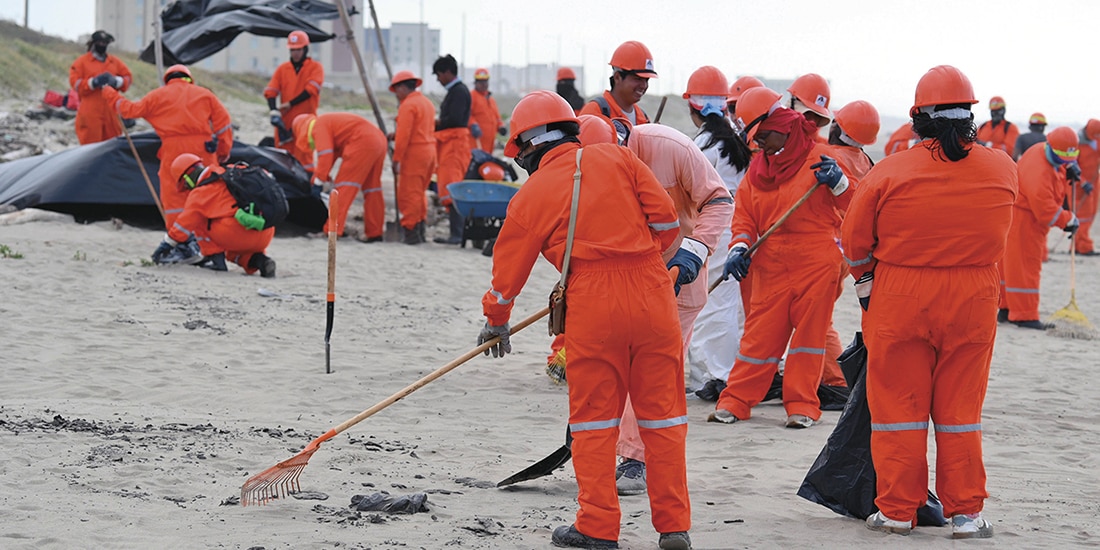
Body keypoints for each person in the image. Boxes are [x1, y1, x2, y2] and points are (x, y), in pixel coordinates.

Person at [477, 91, 691, 550]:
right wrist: (645, 265)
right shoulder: (619, 159)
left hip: (594, 303)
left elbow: (507, 273)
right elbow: (669, 222)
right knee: (664, 420)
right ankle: (674, 527)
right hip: (654, 294)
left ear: (528, 146)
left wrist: (496, 320)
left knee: (595, 423)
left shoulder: (532, 194)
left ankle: (597, 527)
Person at [842, 64, 1016, 539]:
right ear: (971, 118)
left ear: (918, 118)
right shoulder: (1002, 166)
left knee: (898, 407)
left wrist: (866, 281)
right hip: (974, 298)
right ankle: (966, 515)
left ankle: (897, 511)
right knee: (961, 412)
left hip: (901, 295)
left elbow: (854, 241)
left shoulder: (890, 170)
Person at [707, 86, 853, 429]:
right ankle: (736, 400)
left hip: (817, 261)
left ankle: (802, 405)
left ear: (779, 125)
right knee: (759, 336)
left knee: (809, 339)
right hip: (770, 263)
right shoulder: (758, 171)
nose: (758, 146)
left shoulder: (822, 158)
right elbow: (744, 217)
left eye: (761, 138)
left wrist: (840, 185)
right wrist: (739, 248)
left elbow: (857, 207)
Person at [681, 67, 755, 401]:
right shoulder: (734, 140)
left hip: (714, 228)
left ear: (693, 107)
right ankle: (728, 371)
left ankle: (716, 374)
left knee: (712, 304)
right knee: (732, 303)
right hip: (738, 228)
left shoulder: (703, 146)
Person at [102, 64, 233, 230]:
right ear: (189, 78)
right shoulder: (205, 94)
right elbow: (224, 124)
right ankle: (208, 235)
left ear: (167, 80)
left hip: (173, 150)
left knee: (174, 194)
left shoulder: (158, 95)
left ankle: (178, 238)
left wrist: (109, 93)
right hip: (202, 149)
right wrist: (222, 151)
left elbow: (129, 110)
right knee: (207, 190)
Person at [998, 126, 1080, 329]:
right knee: (1026, 266)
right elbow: (1045, 210)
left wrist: (1068, 168)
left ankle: (1007, 310)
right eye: (1062, 159)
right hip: (1025, 221)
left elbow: (1057, 168)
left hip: (1019, 217)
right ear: (1052, 149)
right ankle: (1025, 315)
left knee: (1012, 267)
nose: (1064, 163)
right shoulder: (1039, 171)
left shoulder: (1044, 150)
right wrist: (1068, 220)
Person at [153, 153, 277, 277]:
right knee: (232, 250)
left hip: (237, 235)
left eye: (185, 185)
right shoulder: (230, 172)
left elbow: (184, 225)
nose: (186, 188)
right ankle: (261, 261)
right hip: (265, 230)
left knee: (199, 219)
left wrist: (167, 244)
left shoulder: (201, 192)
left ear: (188, 178)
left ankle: (215, 259)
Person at [291, 113, 387, 241]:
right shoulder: (329, 124)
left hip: (362, 141)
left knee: (343, 190)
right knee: (372, 189)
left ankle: (331, 231)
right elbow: (332, 155)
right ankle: (374, 232)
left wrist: (318, 181)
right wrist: (322, 176)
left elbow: (326, 154)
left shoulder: (319, 126)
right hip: (378, 140)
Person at [263, 30, 324, 172]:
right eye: (293, 50)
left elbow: (311, 91)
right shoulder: (282, 69)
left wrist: (289, 104)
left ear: (305, 49)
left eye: (299, 49)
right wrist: (273, 111)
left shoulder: (315, 68)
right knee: (282, 159)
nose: (296, 53)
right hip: (285, 122)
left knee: (305, 159)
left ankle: (306, 187)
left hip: (306, 122)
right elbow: (271, 91)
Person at [388, 70, 437, 245]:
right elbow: (419, 129)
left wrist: (396, 160)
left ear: (402, 87)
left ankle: (411, 232)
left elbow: (404, 137)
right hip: (430, 152)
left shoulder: (408, 105)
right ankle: (420, 229)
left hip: (415, 154)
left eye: (397, 90)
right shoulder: (426, 103)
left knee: (409, 194)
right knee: (419, 192)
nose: (396, 95)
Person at [432, 54, 474, 245]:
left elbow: (455, 119)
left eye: (439, 74)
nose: (438, 79)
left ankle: (457, 234)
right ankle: (456, 233)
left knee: (452, 186)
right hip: (452, 143)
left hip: (455, 144)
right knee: (449, 185)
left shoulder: (458, 92)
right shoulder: (458, 90)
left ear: (448, 72)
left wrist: (437, 123)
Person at [68, 30, 132, 145]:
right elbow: (75, 84)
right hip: (90, 112)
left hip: (111, 113)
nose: (102, 45)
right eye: (100, 42)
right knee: (90, 149)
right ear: (93, 43)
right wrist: (93, 82)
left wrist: (117, 81)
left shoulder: (114, 62)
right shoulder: (82, 62)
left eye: (105, 43)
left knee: (112, 147)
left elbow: (128, 78)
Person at [579, 40, 656, 125]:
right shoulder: (595, 112)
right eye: (638, 79)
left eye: (646, 80)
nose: (644, 85)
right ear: (617, 77)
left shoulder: (644, 118)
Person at [1074, 119, 1100, 255]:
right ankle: (1084, 246)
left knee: (1092, 213)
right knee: (1083, 216)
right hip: (1080, 185)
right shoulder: (1077, 144)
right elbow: (1073, 166)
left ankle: (1078, 245)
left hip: (1094, 183)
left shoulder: (1097, 140)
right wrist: (1083, 182)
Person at [468, 68, 506, 153]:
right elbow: (467, 114)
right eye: (481, 82)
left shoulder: (491, 99)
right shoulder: (471, 96)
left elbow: (497, 117)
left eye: (485, 81)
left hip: (490, 143)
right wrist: (473, 124)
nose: (483, 84)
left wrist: (501, 126)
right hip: (476, 141)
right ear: (476, 82)